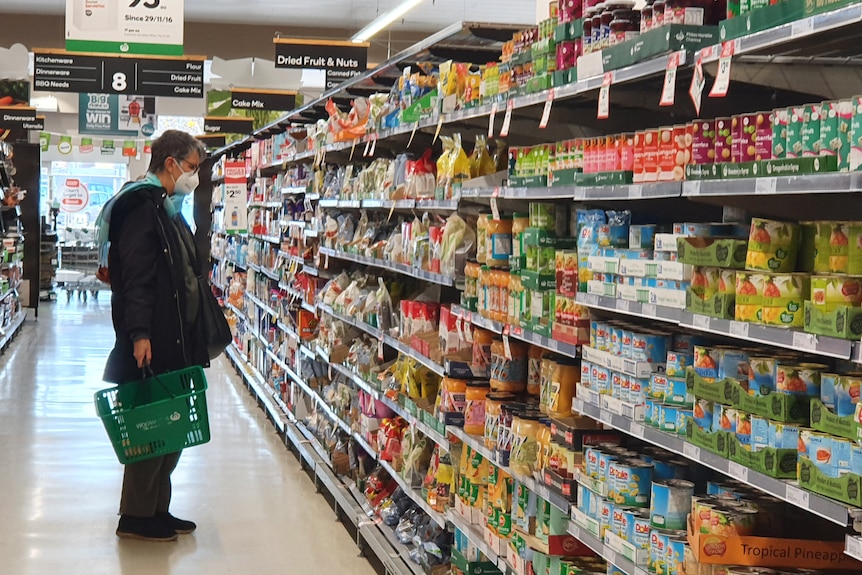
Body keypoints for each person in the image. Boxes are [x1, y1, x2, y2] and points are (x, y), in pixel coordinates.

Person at [96, 130, 210, 542]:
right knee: (151, 426)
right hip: (154, 338)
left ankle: (158, 507)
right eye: (191, 168)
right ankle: (137, 517)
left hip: (173, 337)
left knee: (171, 426)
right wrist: (140, 333)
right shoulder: (141, 209)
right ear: (170, 164)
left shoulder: (164, 206)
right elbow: (139, 279)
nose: (193, 176)